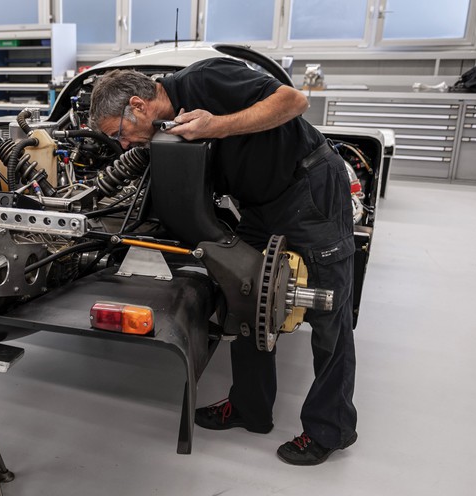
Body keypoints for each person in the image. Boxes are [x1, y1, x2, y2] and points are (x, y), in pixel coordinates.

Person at [88, 58, 357, 466]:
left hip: (308, 186)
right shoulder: (160, 130)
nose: (123, 145)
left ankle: (330, 428)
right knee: (244, 291)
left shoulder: (205, 79)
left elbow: (294, 100)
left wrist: (214, 125)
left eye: (120, 134)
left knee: (328, 309)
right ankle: (251, 407)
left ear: (139, 106)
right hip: (259, 204)